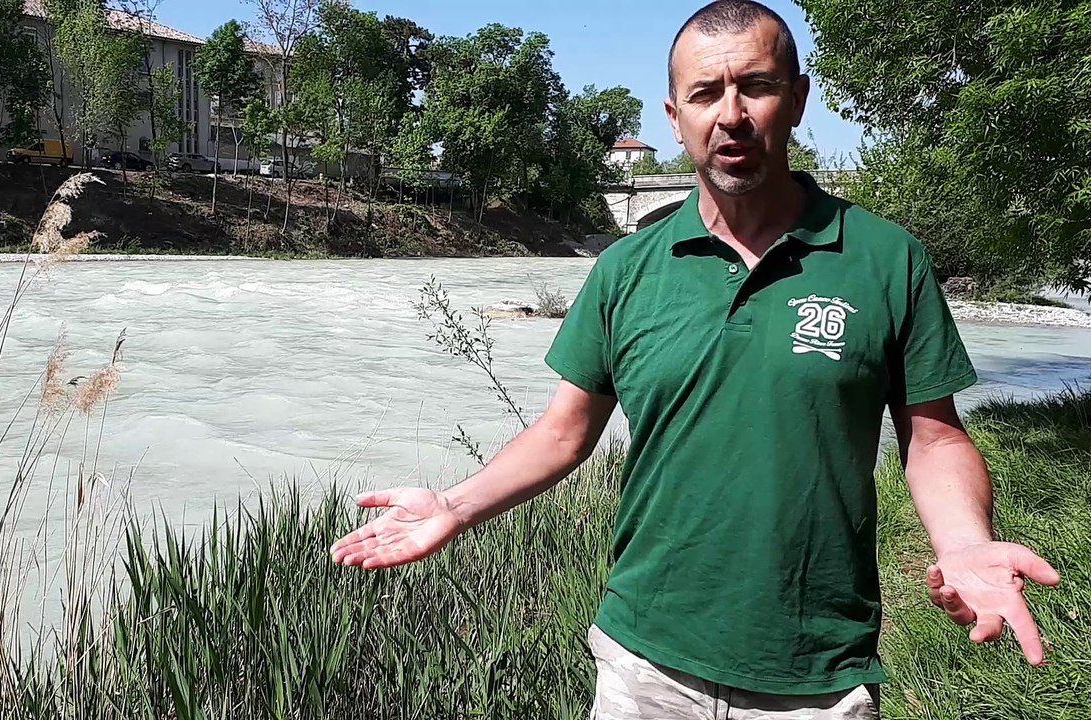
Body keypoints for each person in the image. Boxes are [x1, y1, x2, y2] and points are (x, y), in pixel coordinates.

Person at [329, 1, 1062, 717]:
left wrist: (966, 545)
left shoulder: (885, 258)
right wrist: (454, 506)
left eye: (758, 86)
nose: (732, 114)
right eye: (706, 93)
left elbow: (934, 438)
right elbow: (563, 432)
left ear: (798, 99)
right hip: (643, 660)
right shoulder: (626, 268)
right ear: (675, 116)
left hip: (815, 674)